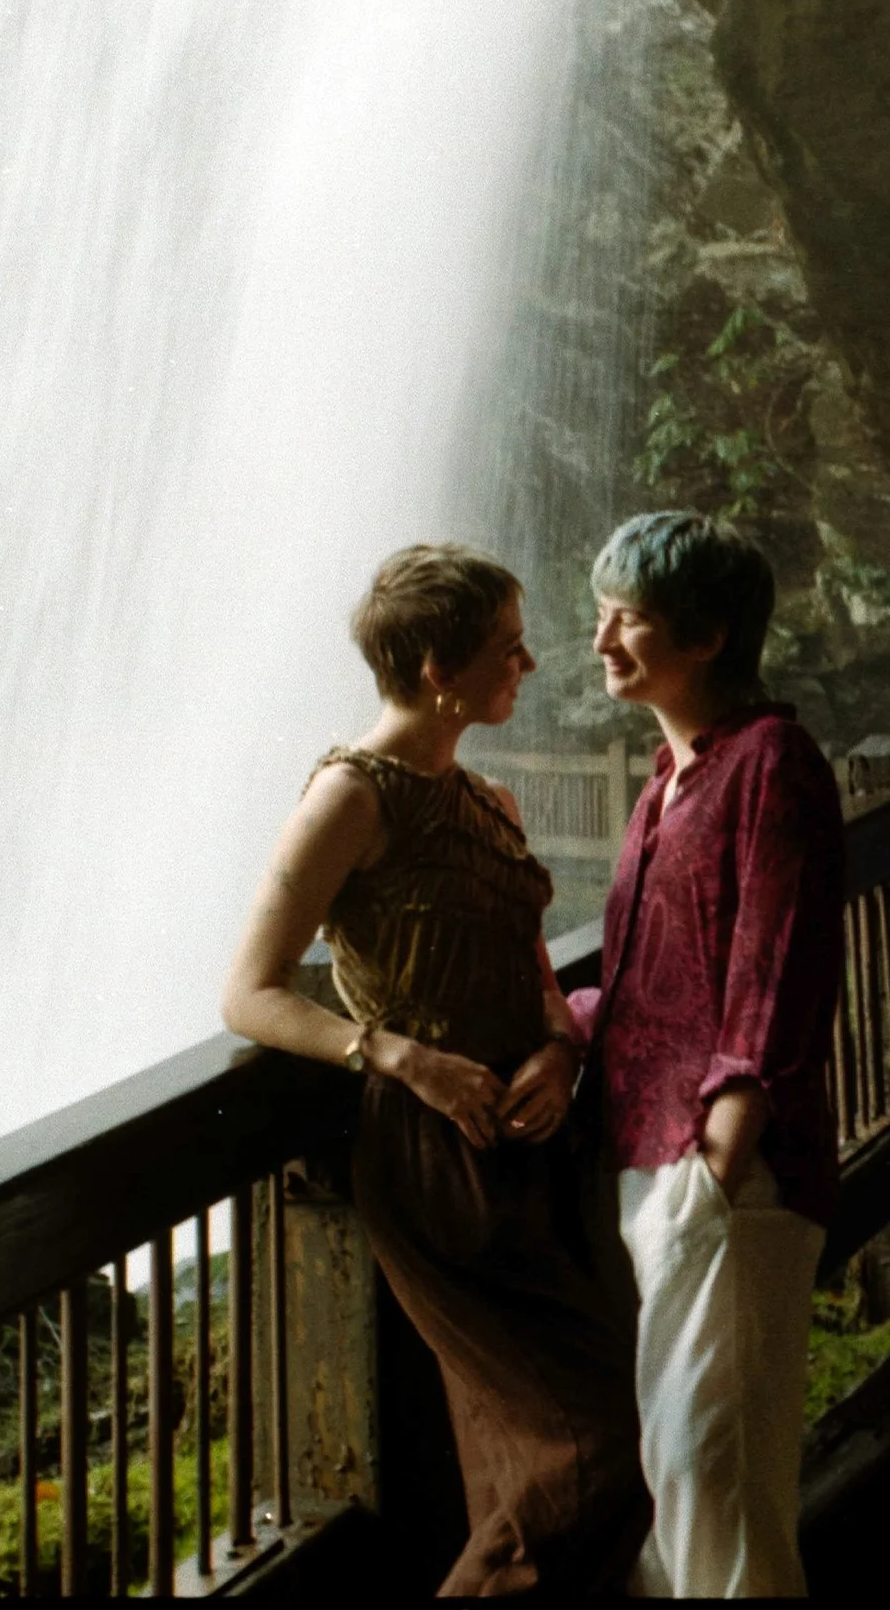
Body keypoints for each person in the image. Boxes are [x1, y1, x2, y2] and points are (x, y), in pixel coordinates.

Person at [220, 543, 650, 1596]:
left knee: (535, 1458)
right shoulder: (349, 797)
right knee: (590, 1453)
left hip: (540, 1142)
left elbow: (534, 979)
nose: (531, 664)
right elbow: (249, 991)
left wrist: (558, 1047)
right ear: (430, 669)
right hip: (432, 1154)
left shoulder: (489, 801)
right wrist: (396, 1056)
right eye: (506, 647)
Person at [566, 512, 845, 1598]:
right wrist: (563, 1029)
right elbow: (654, 982)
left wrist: (722, 1155)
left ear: (707, 635)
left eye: (626, 620)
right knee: (681, 1469)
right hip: (658, 1160)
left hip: (729, 1170)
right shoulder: (666, 781)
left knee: (711, 1472)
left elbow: (775, 961)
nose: (601, 643)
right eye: (600, 618)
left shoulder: (771, 762)